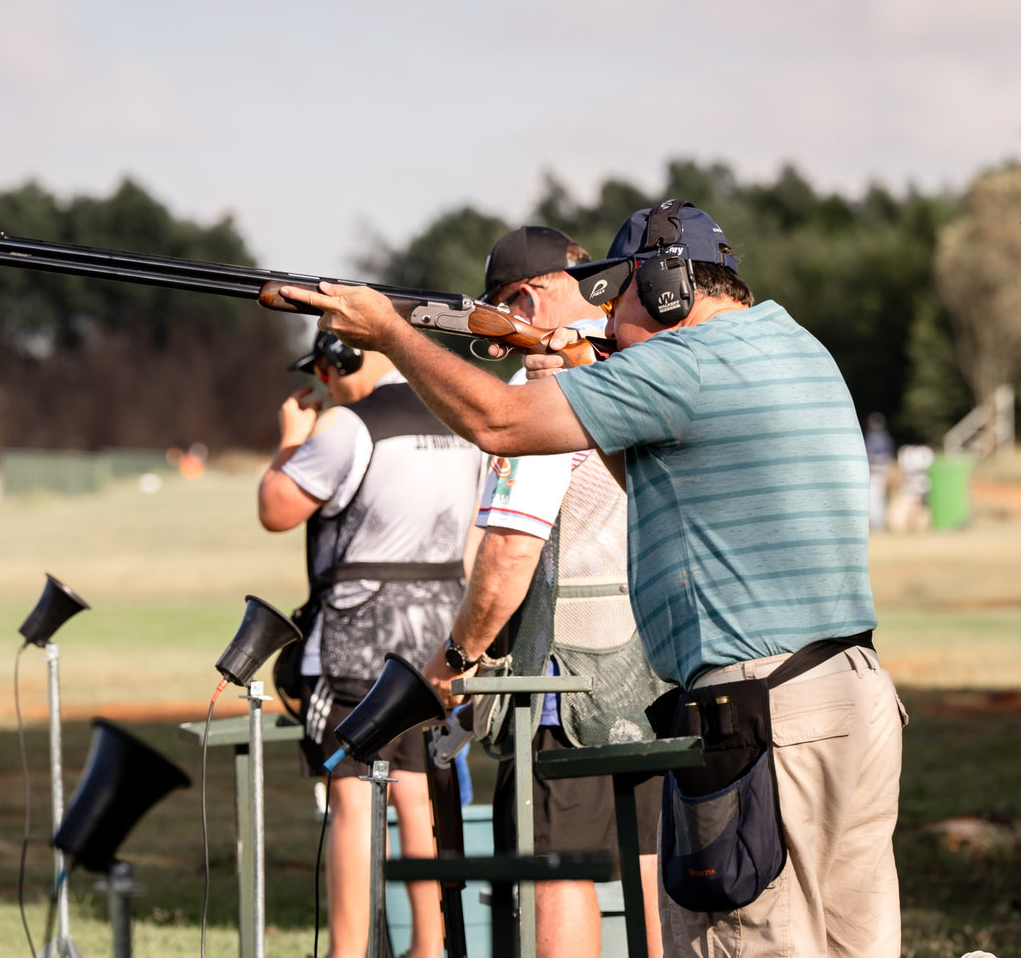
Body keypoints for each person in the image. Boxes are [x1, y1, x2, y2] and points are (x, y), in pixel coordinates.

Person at [281, 200, 906, 958]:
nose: (606, 324)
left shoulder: (685, 363)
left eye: (619, 298)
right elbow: (665, 472)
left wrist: (390, 333)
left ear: (670, 286)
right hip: (855, 700)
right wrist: (586, 385)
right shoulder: (793, 343)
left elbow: (498, 424)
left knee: (748, 941)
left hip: (760, 714)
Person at [421, 225, 672, 958]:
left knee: (556, 869)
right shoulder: (645, 360)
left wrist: (456, 658)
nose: (496, 345)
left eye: (501, 314)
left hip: (570, 677)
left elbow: (507, 555)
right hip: (660, 667)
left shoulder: (547, 391)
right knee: (652, 866)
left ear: (527, 298)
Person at [257, 330, 483, 958]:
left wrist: (292, 439)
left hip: (354, 645)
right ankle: (430, 945)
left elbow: (277, 508)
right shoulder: (456, 417)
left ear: (343, 359)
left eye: (326, 372)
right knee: (419, 791)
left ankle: (349, 952)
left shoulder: (347, 428)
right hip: (439, 637)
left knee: (352, 797)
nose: (323, 385)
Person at [864, 413, 895, 531]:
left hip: (874, 473)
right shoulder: (885, 438)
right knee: (880, 500)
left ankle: (877, 526)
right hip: (882, 473)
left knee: (874, 500)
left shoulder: (871, 438)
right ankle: (879, 525)